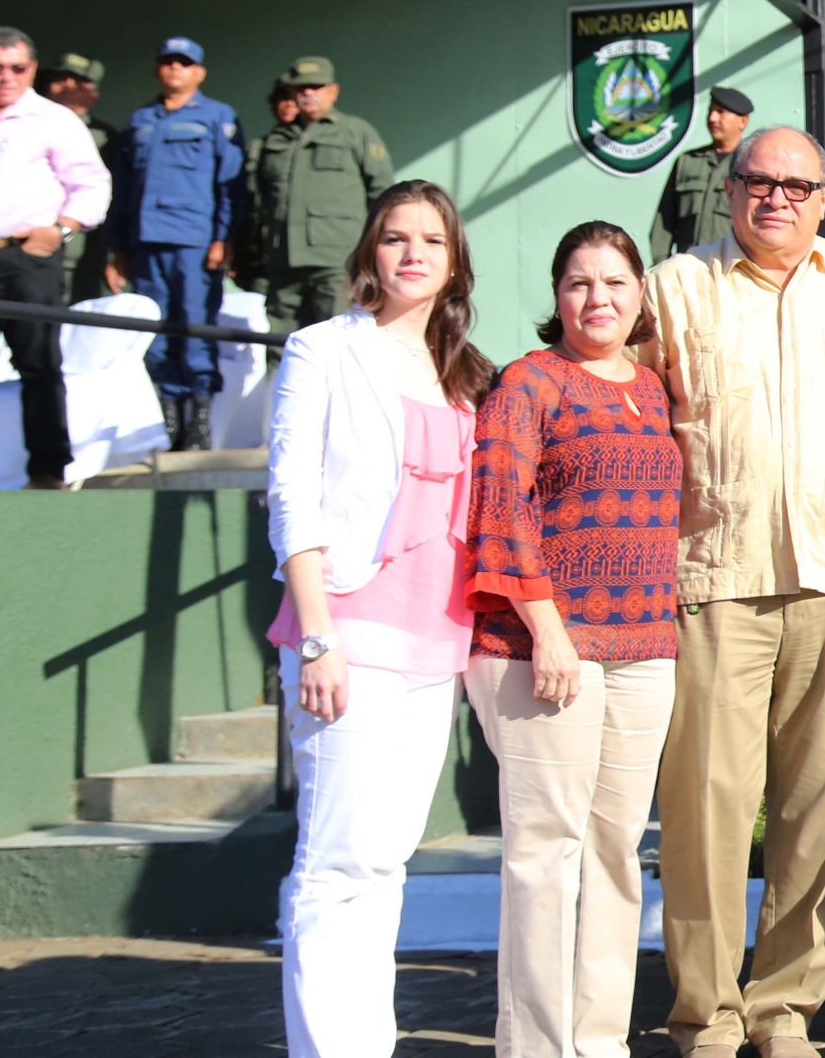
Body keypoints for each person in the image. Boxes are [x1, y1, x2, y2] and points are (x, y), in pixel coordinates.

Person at [641, 126, 825, 1058]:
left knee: (817, 811)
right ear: (728, 192)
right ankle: (705, 1014)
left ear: (823, 198)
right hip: (713, 583)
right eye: (757, 182)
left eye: (798, 186)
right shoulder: (674, 287)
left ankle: (782, 1009)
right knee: (706, 810)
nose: (777, 198)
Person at [263, 180, 496, 1058]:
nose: (411, 254)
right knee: (335, 862)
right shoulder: (323, 349)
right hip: (347, 630)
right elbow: (290, 493)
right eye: (395, 238)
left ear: (452, 261)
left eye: (430, 242)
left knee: (387, 860)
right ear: (370, 252)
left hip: (436, 639)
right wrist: (316, 633)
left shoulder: (468, 375)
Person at [465, 220, 683, 1058]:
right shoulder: (528, 383)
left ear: (639, 296)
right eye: (580, 283)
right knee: (544, 854)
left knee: (617, 852)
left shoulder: (653, 387)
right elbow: (502, 508)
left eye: (615, 283)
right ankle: (536, 1047)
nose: (598, 298)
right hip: (542, 650)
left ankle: (599, 1042)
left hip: (643, 646)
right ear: (557, 298)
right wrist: (548, 631)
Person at [0, 26, 111, 488]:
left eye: (17, 68)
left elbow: (93, 185)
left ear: (32, 70)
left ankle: (47, 472)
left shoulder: (53, 119)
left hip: (24, 258)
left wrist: (59, 231)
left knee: (38, 366)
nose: (5, 78)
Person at [107, 37, 245, 451]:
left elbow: (230, 186)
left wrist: (223, 237)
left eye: (184, 64)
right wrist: (118, 249)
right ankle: (167, 419)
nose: (175, 70)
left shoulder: (218, 117)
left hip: (194, 241)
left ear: (199, 73)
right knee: (155, 328)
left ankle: (198, 421)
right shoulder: (140, 120)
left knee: (195, 325)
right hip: (145, 241)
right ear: (157, 70)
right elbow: (122, 189)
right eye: (168, 62)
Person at [252, 57, 394, 335]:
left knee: (336, 335)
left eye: (316, 87)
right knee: (280, 339)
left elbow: (383, 195)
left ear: (333, 91)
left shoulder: (355, 132)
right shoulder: (277, 139)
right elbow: (259, 202)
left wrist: (375, 251)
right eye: (300, 88)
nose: (307, 93)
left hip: (335, 258)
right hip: (284, 259)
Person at [44, 52, 118, 302]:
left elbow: (115, 200)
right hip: (24, 249)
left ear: (93, 94)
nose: (65, 87)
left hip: (81, 253)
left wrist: (112, 256)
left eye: (76, 82)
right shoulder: (25, 126)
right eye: (60, 79)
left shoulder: (106, 138)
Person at [651, 85, 751, 262]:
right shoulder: (687, 162)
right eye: (710, 111)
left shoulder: (749, 166)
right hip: (687, 271)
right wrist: (661, 265)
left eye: (720, 112)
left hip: (732, 271)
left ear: (743, 121)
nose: (712, 118)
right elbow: (663, 223)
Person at [236, 83, 305, 295]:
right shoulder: (259, 147)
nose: (287, 106)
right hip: (263, 251)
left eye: (293, 101)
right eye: (282, 100)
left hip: (308, 251)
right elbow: (245, 202)